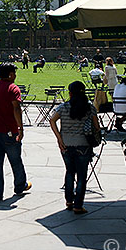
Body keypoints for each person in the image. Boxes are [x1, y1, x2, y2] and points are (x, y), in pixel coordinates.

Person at [0, 62, 30, 200]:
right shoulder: (13, 88)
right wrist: (20, 127)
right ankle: (20, 185)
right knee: (15, 160)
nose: (15, 75)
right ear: (9, 74)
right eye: (14, 72)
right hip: (10, 131)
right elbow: (16, 108)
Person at [50, 81, 100, 214]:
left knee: (69, 172)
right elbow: (97, 127)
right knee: (82, 176)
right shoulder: (89, 108)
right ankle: (78, 205)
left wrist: (59, 138)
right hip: (83, 144)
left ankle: (69, 200)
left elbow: (52, 120)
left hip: (66, 143)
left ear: (70, 93)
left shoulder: (63, 107)